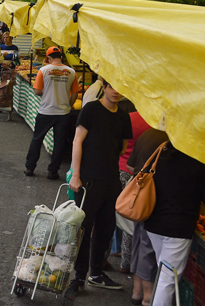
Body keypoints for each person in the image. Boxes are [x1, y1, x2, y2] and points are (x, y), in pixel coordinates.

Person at [64, 81, 133, 305]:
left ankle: (96, 273)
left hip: (111, 180)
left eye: (120, 87)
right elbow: (77, 141)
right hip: (88, 180)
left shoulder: (123, 117)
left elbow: (123, 148)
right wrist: (75, 174)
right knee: (84, 228)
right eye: (112, 86)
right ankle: (79, 276)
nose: (115, 91)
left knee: (106, 228)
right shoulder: (91, 109)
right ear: (104, 86)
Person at [144, 143, 205, 306]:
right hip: (178, 227)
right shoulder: (199, 162)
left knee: (163, 273)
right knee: (167, 279)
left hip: (153, 222)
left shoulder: (160, 153)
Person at [126, 128, 170, 306]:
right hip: (155, 200)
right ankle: (147, 296)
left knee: (139, 242)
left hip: (141, 198)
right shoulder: (169, 143)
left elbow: (130, 166)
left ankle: (137, 292)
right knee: (147, 248)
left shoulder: (147, 135)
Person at [24, 46, 79, 179]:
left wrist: (47, 91)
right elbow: (75, 93)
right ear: (61, 57)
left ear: (48, 58)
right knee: (59, 143)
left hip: (46, 111)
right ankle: (53, 171)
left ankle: (30, 168)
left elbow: (37, 91)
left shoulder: (43, 70)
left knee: (37, 139)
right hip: (63, 113)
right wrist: (68, 105)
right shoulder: (72, 72)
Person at [113, 110, 153, 274]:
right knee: (129, 217)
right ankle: (126, 262)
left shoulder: (128, 118)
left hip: (117, 168)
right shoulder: (152, 125)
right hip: (135, 175)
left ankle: (108, 253)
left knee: (110, 214)